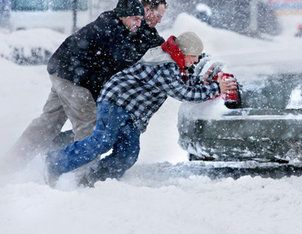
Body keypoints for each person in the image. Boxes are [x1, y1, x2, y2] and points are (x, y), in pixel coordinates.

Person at [46, 32, 238, 187]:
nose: (195, 61)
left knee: (127, 154)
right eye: (194, 56)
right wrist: (216, 88)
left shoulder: (174, 61)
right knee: (102, 141)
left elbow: (185, 80)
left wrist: (209, 81)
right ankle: (55, 163)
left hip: (132, 112)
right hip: (115, 101)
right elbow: (183, 92)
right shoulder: (165, 65)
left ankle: (93, 180)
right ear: (184, 52)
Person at [3, 0, 167, 171]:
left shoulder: (124, 24)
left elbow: (151, 44)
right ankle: (80, 174)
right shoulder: (113, 28)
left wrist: (172, 51)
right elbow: (123, 59)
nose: (157, 20)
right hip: (74, 79)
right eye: (157, 15)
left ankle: (13, 163)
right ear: (144, 11)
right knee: (90, 126)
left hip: (62, 72)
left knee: (48, 123)